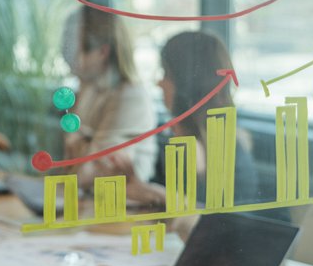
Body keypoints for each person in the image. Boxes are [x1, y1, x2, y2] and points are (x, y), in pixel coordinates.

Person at [98, 30, 259, 208]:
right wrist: (135, 182)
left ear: (186, 84)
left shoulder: (208, 152)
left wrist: (151, 192)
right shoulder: (199, 140)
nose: (159, 82)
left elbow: (205, 223)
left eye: (166, 73)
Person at [58, 7, 156, 184]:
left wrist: (81, 143)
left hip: (124, 207)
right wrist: (86, 145)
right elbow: (71, 164)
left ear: (102, 52)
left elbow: (86, 173)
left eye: (73, 49)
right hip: (88, 202)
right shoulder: (89, 88)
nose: (65, 57)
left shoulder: (131, 97)